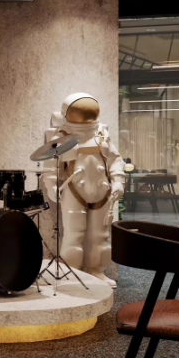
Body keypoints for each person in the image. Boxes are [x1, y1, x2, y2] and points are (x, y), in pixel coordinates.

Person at [41, 93, 125, 288]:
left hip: (102, 190)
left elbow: (115, 160)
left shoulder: (101, 133)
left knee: (100, 235)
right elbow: (50, 165)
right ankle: (72, 271)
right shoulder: (61, 135)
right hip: (73, 190)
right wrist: (51, 185)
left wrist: (118, 181)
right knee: (73, 234)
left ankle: (96, 271)